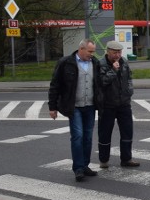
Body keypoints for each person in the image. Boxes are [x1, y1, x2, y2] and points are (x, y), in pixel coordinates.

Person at [48, 39, 101, 182]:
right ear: (81, 49)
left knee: (88, 137)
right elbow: (55, 85)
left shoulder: (95, 63)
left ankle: (85, 165)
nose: (92, 54)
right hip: (74, 106)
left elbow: (99, 85)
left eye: (93, 51)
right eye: (90, 51)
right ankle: (78, 168)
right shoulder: (66, 63)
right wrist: (52, 107)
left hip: (90, 106)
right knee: (78, 135)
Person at [97, 41, 139, 169]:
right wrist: (113, 70)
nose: (117, 55)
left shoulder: (124, 62)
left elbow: (129, 78)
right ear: (108, 51)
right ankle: (104, 160)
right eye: (114, 52)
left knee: (127, 132)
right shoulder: (101, 64)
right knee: (105, 133)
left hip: (124, 104)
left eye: (119, 52)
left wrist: (130, 92)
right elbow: (101, 82)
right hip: (107, 105)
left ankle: (126, 159)